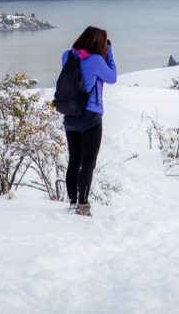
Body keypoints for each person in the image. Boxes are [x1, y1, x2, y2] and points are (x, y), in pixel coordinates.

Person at [60, 25, 117, 216]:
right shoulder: (96, 60)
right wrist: (109, 53)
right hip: (91, 116)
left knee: (74, 160)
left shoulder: (67, 56)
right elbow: (112, 77)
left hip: (70, 115)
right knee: (88, 163)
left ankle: (72, 201)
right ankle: (83, 205)